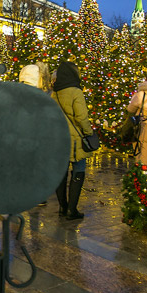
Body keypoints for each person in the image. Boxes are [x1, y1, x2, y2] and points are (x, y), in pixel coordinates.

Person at [52, 61, 94, 220]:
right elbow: (82, 118)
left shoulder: (55, 93)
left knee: (61, 172)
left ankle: (62, 207)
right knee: (79, 168)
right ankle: (72, 209)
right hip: (75, 140)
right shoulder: (76, 92)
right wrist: (88, 133)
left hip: (59, 138)